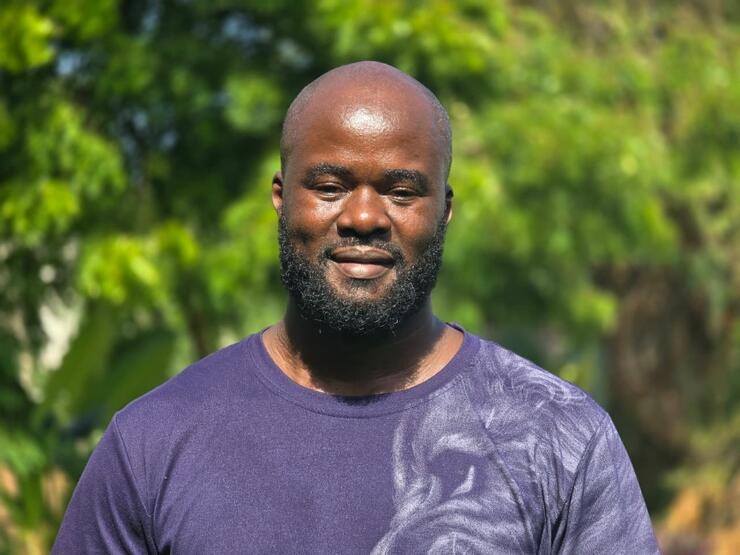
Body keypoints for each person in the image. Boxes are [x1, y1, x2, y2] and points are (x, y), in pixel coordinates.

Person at [53, 61, 659, 554]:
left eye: (401, 191)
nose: (364, 217)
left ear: (444, 211)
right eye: (330, 186)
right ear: (281, 197)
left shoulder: (557, 438)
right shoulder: (155, 443)